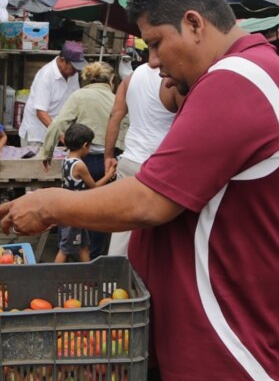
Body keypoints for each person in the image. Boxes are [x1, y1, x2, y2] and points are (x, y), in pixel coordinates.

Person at [0, 0, 279, 381]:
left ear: (194, 23)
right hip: (202, 351)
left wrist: (53, 204)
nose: (153, 62)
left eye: (156, 43)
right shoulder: (231, 77)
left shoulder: (241, 80)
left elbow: (150, 201)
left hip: (230, 355)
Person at [39, 61, 120, 258]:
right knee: (101, 210)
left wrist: (46, 152)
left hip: (84, 157)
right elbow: (125, 125)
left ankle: (70, 252)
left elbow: (59, 123)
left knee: (77, 207)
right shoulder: (116, 98)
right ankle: (95, 257)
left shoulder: (78, 96)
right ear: (110, 81)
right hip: (108, 159)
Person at [104, 63, 177, 256]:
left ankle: (113, 281)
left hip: (130, 160)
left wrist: (108, 156)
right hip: (158, 165)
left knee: (122, 228)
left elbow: (115, 116)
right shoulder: (173, 79)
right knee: (158, 232)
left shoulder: (131, 78)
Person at [55, 123, 115, 263]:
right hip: (73, 211)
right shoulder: (79, 165)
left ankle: (88, 281)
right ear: (85, 145)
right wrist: (109, 174)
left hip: (71, 208)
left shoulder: (66, 160)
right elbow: (94, 187)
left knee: (84, 246)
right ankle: (54, 280)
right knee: (65, 249)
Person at [17, 40, 85, 148]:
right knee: (34, 164)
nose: (76, 71)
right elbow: (41, 113)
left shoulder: (73, 74)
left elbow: (75, 100)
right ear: (63, 61)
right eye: (74, 67)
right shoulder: (46, 76)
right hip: (37, 134)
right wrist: (59, 133)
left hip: (56, 130)